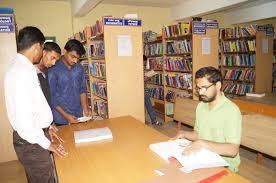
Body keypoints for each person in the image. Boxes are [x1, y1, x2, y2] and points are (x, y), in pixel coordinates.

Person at [4, 26, 67, 183]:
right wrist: (47, 144)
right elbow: (24, 121)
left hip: (34, 138)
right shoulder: (21, 72)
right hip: (31, 142)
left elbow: (33, 107)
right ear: (38, 46)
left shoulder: (23, 68)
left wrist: (47, 127)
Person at [174, 66, 242, 172]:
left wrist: (202, 144)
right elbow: (198, 134)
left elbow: (233, 150)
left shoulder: (231, 110)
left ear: (218, 85)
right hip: (203, 157)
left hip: (224, 164)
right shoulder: (201, 106)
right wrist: (184, 133)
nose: (201, 93)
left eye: (204, 88)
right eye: (198, 88)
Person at [48, 39, 90, 125]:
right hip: (61, 118)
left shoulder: (79, 68)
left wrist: (85, 109)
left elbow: (82, 90)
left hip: (79, 116)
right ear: (65, 51)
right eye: (73, 56)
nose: (75, 61)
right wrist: (66, 116)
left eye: (78, 58)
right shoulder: (53, 69)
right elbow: (52, 98)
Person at [36, 41, 61, 105]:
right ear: (44, 53)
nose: (54, 63)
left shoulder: (48, 72)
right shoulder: (32, 73)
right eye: (53, 58)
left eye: (56, 60)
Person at [144, 55, 161, 125]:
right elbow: (143, 78)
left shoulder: (141, 67)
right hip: (141, 90)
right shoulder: (138, 67)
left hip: (144, 90)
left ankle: (153, 120)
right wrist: (148, 77)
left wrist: (148, 77)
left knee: (149, 105)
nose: (144, 64)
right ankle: (153, 120)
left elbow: (144, 78)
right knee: (149, 105)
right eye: (144, 62)